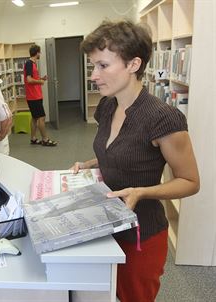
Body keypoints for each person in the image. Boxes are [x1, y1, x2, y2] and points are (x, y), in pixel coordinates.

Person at [73, 20, 199, 302]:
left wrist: (142, 192)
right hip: (106, 225)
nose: (94, 75)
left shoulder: (163, 118)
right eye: (93, 65)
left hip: (141, 234)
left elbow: (190, 182)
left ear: (133, 64)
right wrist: (92, 163)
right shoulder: (107, 105)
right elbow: (122, 151)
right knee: (101, 293)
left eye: (103, 65)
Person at [24, 44, 57, 146]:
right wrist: (40, 82)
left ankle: (33, 139)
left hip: (35, 95)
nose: (40, 54)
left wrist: (41, 79)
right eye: (40, 52)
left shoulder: (33, 64)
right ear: (37, 52)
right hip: (34, 97)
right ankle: (45, 140)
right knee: (41, 118)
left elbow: (32, 79)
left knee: (34, 118)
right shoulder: (29, 63)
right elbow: (29, 80)